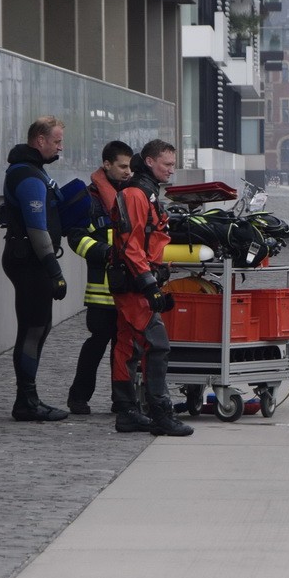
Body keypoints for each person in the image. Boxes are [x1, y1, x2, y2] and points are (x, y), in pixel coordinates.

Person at [109, 139, 193, 436]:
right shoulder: (136, 193)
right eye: (167, 164)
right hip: (134, 284)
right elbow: (132, 246)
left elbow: (145, 241)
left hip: (135, 281)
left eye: (172, 164)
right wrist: (149, 286)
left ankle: (127, 412)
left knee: (127, 346)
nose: (172, 170)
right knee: (156, 346)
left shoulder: (144, 193)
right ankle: (161, 415)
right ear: (149, 162)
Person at [1, 116, 70, 422]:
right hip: (30, 263)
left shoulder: (33, 171)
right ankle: (26, 401)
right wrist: (55, 272)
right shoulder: (28, 175)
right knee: (32, 329)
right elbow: (37, 229)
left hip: (31, 261)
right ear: (39, 141)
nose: (60, 146)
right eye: (56, 141)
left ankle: (27, 398)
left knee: (39, 328)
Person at [64, 141, 134, 414]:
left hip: (128, 288)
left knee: (124, 347)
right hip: (101, 292)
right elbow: (76, 237)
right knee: (97, 344)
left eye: (130, 166)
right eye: (122, 166)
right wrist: (105, 253)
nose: (128, 172)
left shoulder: (132, 193)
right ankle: (78, 397)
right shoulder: (90, 199)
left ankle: (122, 400)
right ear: (107, 165)